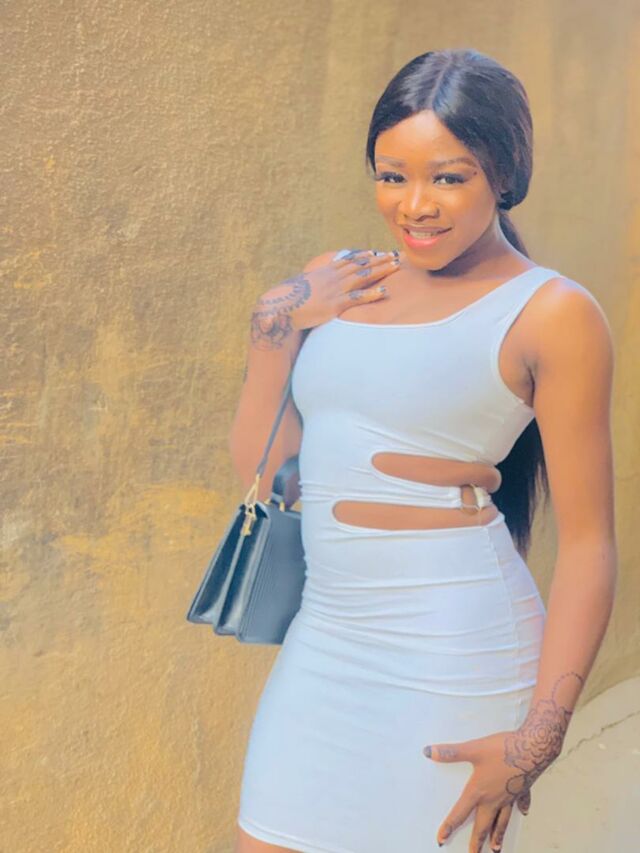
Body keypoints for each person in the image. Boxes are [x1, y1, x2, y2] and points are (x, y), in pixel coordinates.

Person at [229, 49, 617, 853]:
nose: (415, 205)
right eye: (391, 176)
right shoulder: (339, 280)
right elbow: (270, 478)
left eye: (448, 177)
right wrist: (276, 323)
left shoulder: (553, 313)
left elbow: (588, 545)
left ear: (504, 173)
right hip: (325, 641)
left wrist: (537, 740)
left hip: (456, 652)